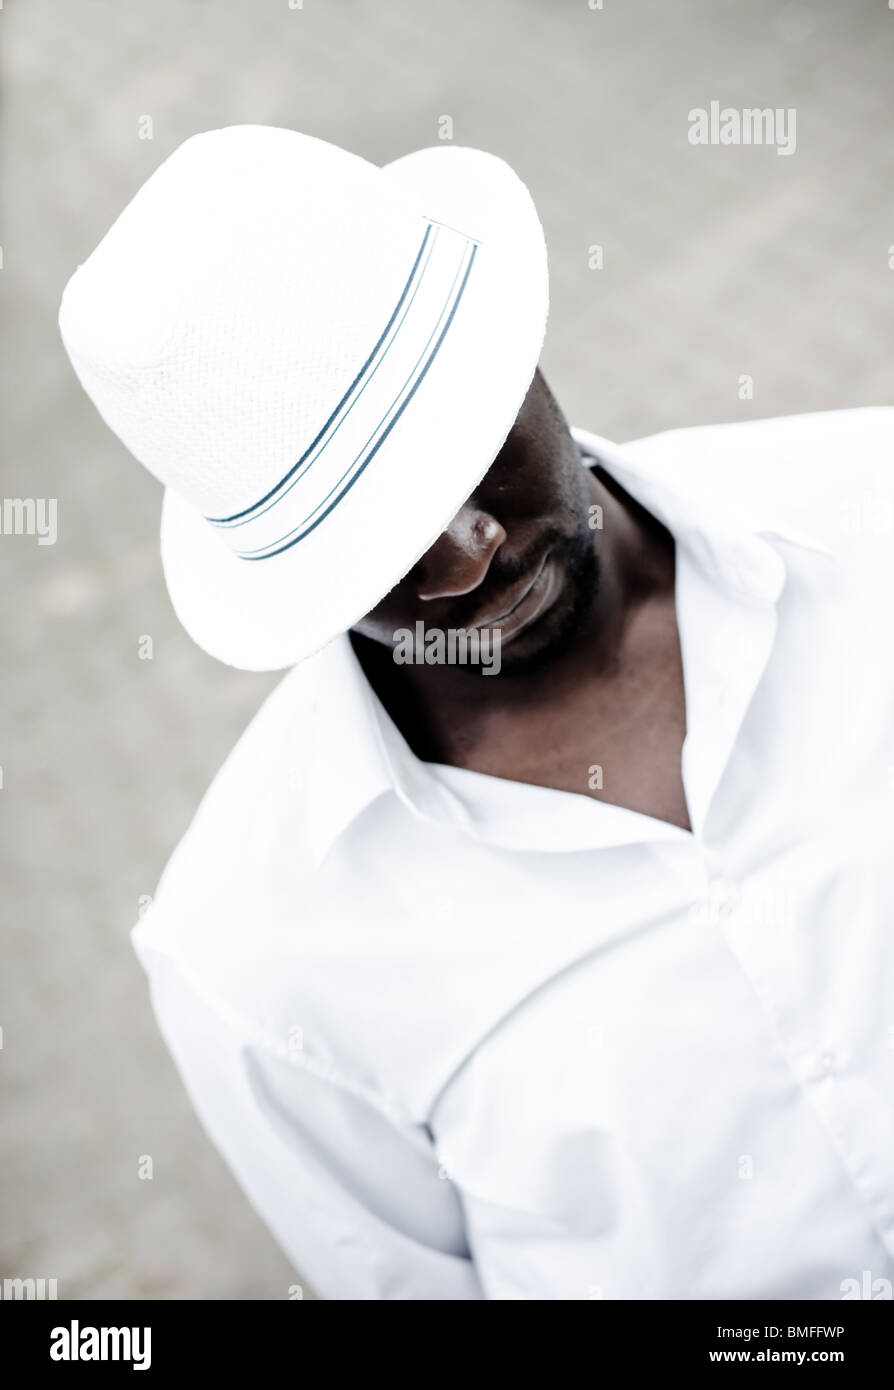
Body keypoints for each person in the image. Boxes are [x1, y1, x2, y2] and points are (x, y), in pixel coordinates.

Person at [59, 125, 894, 1300]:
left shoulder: (872, 518)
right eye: (375, 537)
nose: (469, 560)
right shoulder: (250, 956)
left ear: (515, 352)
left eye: (461, 455)